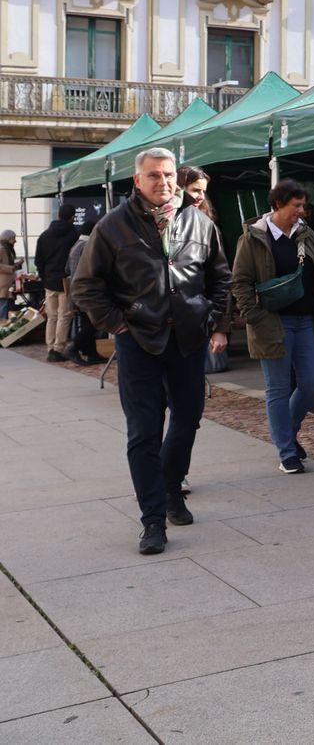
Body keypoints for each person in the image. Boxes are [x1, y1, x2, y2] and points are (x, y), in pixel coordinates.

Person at [73, 147, 230, 555]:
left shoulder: (198, 222)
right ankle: (153, 520)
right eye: (155, 176)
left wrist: (208, 316)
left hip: (187, 340)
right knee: (143, 430)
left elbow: (220, 277)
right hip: (139, 341)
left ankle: (171, 486)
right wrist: (118, 324)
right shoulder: (113, 227)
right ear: (137, 181)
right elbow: (86, 286)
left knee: (188, 418)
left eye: (169, 175)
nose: (164, 182)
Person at [232, 179, 314, 474]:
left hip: (305, 321)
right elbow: (239, 282)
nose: (302, 211)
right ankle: (287, 451)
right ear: (277, 205)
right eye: (296, 206)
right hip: (272, 320)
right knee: (277, 387)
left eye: (304, 206)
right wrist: (253, 316)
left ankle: (287, 434)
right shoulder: (253, 238)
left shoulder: (306, 234)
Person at [36, 205, 79, 362]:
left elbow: (38, 260)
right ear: (72, 217)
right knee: (64, 316)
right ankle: (58, 349)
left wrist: (44, 277)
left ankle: (50, 347)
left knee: (52, 317)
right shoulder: (74, 235)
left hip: (49, 280)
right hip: (65, 280)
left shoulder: (44, 235)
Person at [62, 223, 95, 365]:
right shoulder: (87, 246)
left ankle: (92, 353)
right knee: (94, 324)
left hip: (75, 291)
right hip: (87, 291)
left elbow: (67, 269)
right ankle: (73, 347)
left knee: (87, 322)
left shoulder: (76, 245)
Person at [0, 229, 18, 319]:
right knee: (3, 308)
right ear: (8, 238)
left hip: (8, 285)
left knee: (9, 308)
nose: (15, 241)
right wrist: (11, 268)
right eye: (13, 238)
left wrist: (17, 265)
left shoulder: (8, 250)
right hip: (3, 286)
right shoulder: (1, 249)